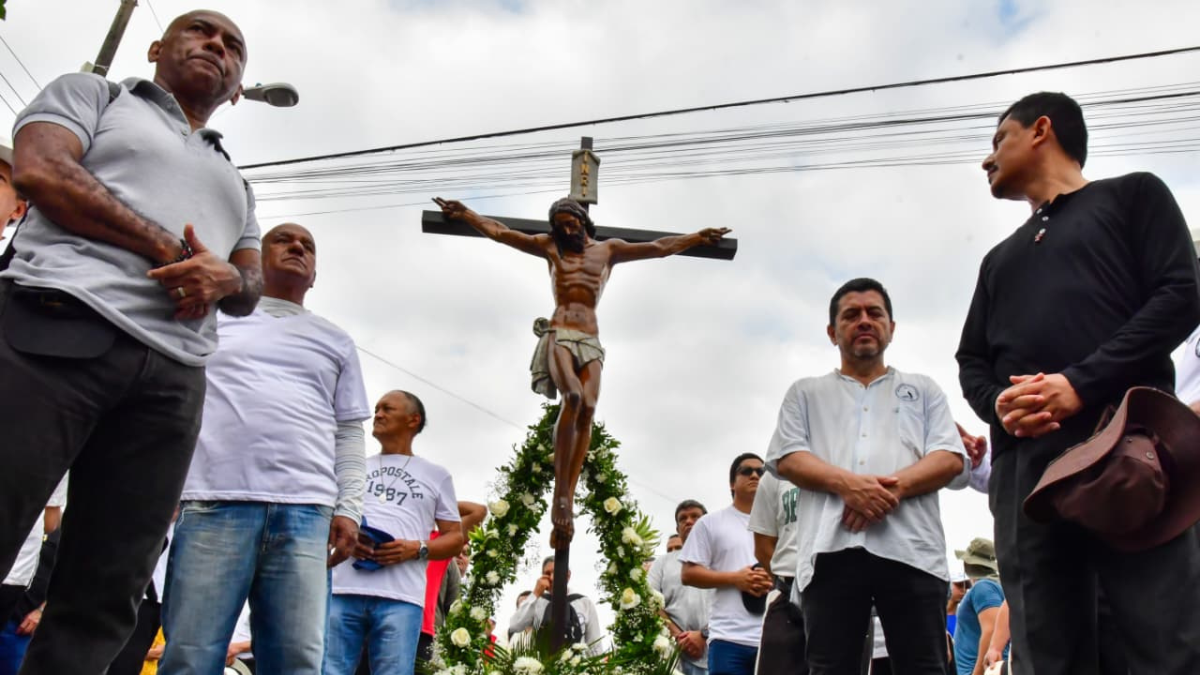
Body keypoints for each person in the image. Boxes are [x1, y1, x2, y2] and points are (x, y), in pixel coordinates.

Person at [0, 10, 262, 672]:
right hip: (56, 323)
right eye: (201, 32)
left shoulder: (236, 180)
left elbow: (250, 283)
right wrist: (170, 249)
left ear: (237, 87)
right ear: (155, 48)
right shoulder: (94, 97)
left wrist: (226, 273)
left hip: (172, 381)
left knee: (106, 592)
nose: (217, 47)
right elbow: (41, 170)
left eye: (233, 46)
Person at [957, 91, 1200, 674]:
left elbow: (1181, 294)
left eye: (998, 140)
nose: (987, 160)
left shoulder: (1134, 196)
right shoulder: (998, 260)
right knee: (1046, 648)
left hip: (1128, 451)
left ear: (1041, 130)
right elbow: (971, 360)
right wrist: (1001, 407)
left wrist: (1079, 384)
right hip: (1026, 477)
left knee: (1158, 638)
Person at [435, 196, 729, 545]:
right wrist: (466, 214)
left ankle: (569, 492)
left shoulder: (609, 251)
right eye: (559, 225)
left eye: (570, 223)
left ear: (582, 222)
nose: (566, 229)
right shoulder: (550, 248)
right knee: (572, 397)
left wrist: (697, 237)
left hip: (590, 337)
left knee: (588, 407)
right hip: (559, 331)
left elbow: (659, 247)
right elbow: (501, 233)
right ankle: (562, 495)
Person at [159, 222, 370, 674]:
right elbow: (172, 403)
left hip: (306, 511)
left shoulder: (335, 340)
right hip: (213, 502)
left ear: (314, 276)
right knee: (190, 657)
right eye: (284, 240)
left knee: (295, 662)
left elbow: (349, 431)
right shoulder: (208, 317)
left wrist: (349, 507)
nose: (297, 247)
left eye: (308, 246)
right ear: (253, 262)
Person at [769, 278, 969, 675]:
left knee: (924, 667)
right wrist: (848, 486)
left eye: (875, 313)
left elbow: (949, 457)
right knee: (829, 668)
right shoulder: (805, 393)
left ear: (891, 328)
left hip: (913, 550)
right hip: (831, 551)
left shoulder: (924, 389)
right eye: (851, 315)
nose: (864, 321)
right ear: (832, 332)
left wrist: (880, 493)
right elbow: (788, 457)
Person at [324, 391, 464, 675]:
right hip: (342, 590)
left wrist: (416, 549)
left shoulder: (436, 475)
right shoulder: (352, 467)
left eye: (387, 408)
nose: (378, 414)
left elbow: (455, 538)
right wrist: (347, 538)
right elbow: (325, 518)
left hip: (400, 598)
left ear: (414, 419)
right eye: (376, 409)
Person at [680, 454, 772, 675]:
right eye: (746, 471)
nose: (754, 475)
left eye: (761, 472)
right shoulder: (710, 523)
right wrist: (735, 579)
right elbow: (688, 573)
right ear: (732, 483)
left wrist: (774, 579)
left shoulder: (778, 523)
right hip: (728, 638)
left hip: (773, 636)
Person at [748, 470, 806, 675]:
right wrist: (792, 585)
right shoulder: (775, 476)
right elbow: (762, 546)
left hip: (841, 596)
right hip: (787, 595)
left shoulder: (847, 462)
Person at [648, 500, 714, 675]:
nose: (689, 521)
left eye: (695, 517)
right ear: (678, 529)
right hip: (674, 658)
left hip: (718, 652)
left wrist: (703, 635)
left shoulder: (722, 558)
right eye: (683, 518)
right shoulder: (662, 563)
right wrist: (679, 637)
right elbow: (650, 602)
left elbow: (732, 604)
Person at [507, 556, 606, 655]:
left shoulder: (584, 603)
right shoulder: (537, 602)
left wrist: (597, 669)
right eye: (547, 573)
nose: (552, 578)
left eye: (556, 572)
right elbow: (514, 626)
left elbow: (594, 642)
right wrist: (535, 594)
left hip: (577, 665)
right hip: (543, 665)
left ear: (567, 575)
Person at [952, 539, 1006, 675]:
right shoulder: (995, 586)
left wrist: (978, 672)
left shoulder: (984, 587)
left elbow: (991, 630)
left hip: (978, 670)